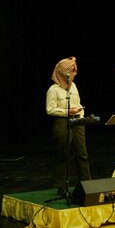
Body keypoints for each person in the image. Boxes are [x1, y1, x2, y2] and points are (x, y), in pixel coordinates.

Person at [45, 56, 91, 196]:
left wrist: (81, 115)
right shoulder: (53, 90)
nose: (75, 74)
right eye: (73, 71)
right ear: (64, 73)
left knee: (82, 154)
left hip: (78, 122)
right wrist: (67, 112)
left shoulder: (74, 86)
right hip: (62, 123)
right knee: (63, 155)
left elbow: (78, 104)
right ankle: (62, 187)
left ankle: (87, 184)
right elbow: (50, 109)